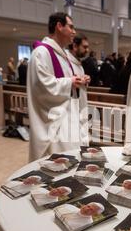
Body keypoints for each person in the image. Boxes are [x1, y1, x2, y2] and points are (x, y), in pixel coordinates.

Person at [27, 13, 89, 162]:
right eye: (71, 27)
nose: (74, 32)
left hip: (68, 117)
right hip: (55, 120)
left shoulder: (62, 54)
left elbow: (67, 78)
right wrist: (70, 82)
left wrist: (79, 80)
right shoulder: (41, 53)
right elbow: (42, 86)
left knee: (69, 161)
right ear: (59, 26)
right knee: (58, 164)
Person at [67, 34, 91, 146]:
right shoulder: (66, 62)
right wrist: (73, 81)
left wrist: (86, 80)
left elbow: (79, 83)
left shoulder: (78, 63)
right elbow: (63, 82)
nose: (87, 50)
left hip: (81, 106)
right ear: (75, 46)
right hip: (71, 109)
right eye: (84, 47)